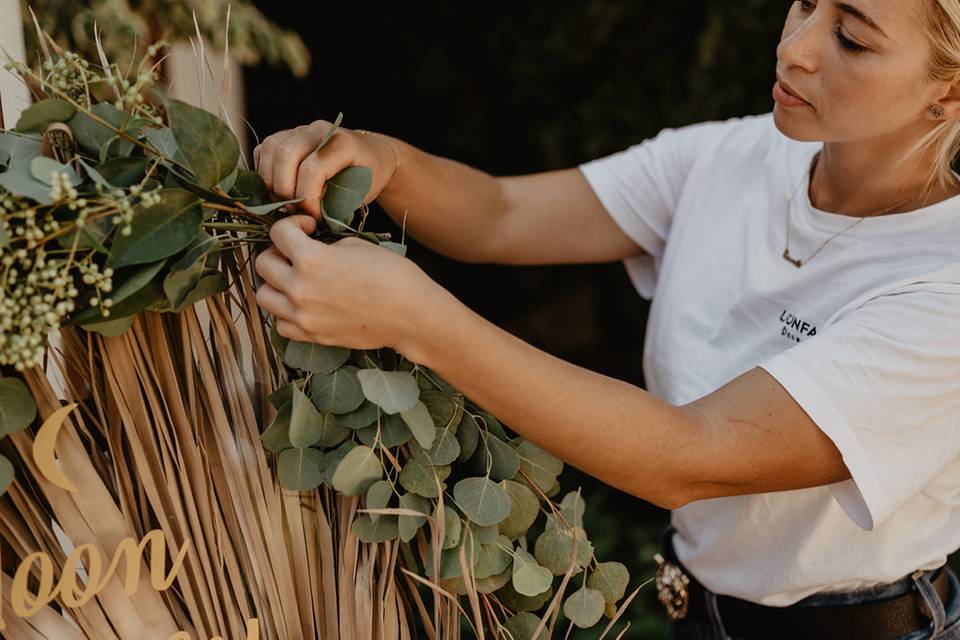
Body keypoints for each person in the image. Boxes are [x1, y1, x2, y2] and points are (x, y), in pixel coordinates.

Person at [251, 1, 960, 637]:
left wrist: (415, 320)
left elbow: (690, 456)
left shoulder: (944, 288)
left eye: (852, 39)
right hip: (696, 610)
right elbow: (502, 216)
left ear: (948, 91)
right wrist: (385, 159)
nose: (796, 48)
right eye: (805, 2)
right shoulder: (733, 155)